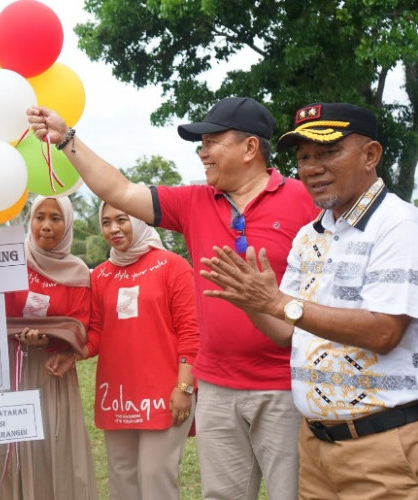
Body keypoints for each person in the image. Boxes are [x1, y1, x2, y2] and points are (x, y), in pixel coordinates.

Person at [28, 97, 319, 499]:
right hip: (216, 387)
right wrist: (67, 139)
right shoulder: (194, 202)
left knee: (291, 493)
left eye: (212, 141)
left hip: (284, 386)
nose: (202, 153)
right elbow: (119, 188)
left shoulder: (305, 201)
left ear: (250, 148)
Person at [200, 102, 418, 499]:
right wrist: (253, 300)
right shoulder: (308, 236)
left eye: (328, 152)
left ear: (371, 155)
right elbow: (286, 332)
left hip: (382, 446)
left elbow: (384, 330)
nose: (311, 168)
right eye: (303, 157)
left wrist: (279, 302)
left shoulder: (399, 226)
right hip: (316, 448)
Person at [0, 195, 98, 500]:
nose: (47, 226)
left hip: (52, 374)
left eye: (56, 218)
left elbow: (81, 325)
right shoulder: (8, 257)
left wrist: (53, 342)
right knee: (6, 446)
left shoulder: (78, 272)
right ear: (30, 221)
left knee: (52, 445)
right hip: (9, 370)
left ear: (67, 225)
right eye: (40, 217)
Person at [79, 202, 199, 500]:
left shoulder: (173, 266)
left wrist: (184, 387)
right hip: (117, 393)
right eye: (106, 222)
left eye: (122, 219)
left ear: (140, 219)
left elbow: (191, 333)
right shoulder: (100, 276)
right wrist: (67, 350)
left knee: (154, 474)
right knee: (121, 477)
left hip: (166, 392)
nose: (113, 228)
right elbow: (96, 333)